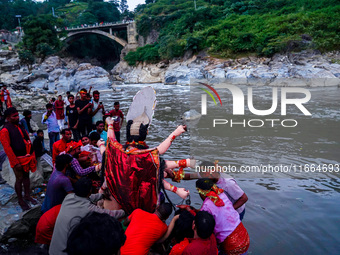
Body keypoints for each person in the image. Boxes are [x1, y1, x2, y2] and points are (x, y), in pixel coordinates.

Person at [49, 177, 125, 255]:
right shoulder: (88, 209)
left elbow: (88, 197)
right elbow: (109, 214)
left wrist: (102, 195)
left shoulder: (68, 197)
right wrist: (124, 211)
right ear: (90, 191)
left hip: (53, 249)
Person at [193, 179, 249, 255]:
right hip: (244, 236)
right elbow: (217, 210)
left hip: (231, 245)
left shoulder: (206, 206)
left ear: (201, 193)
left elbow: (204, 224)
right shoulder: (222, 194)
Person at [0, 107, 37, 210]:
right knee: (19, 179)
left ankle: (27, 195)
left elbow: (27, 139)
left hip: (27, 157)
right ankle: (20, 200)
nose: (17, 117)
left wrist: (32, 154)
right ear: (8, 118)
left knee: (26, 177)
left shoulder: (19, 126)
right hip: (17, 160)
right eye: (14, 116)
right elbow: (7, 148)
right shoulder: (4, 130)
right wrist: (16, 163)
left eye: (17, 115)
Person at [184, 162, 248, 220]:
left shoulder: (228, 183)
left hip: (235, 210)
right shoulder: (206, 174)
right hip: (220, 206)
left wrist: (228, 210)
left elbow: (244, 198)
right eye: (202, 174)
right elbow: (190, 176)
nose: (203, 177)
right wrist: (176, 175)